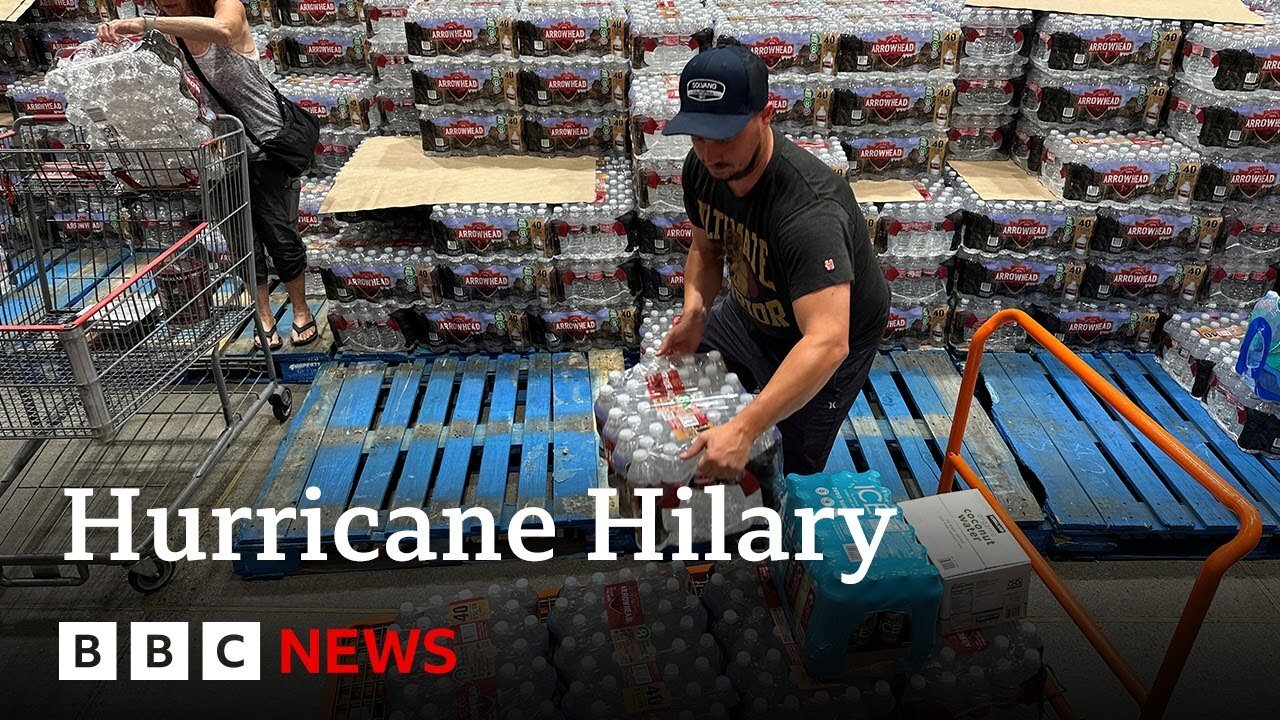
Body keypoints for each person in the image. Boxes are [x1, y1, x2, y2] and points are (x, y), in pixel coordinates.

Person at [658, 45, 890, 478]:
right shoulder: (705, 169)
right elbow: (705, 252)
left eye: (724, 136)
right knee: (696, 380)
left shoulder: (809, 213)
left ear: (766, 116)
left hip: (823, 336)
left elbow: (827, 341)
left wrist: (745, 429)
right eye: (698, 136)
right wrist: (695, 310)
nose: (710, 154)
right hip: (751, 310)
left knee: (792, 459)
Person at [98, 0, 317, 350]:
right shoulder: (165, 35)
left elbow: (224, 30)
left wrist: (149, 23)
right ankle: (263, 315)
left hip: (264, 143)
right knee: (239, 239)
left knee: (279, 232)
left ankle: (301, 310)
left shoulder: (224, 7)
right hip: (216, 153)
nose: (165, 1)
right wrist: (114, 46)